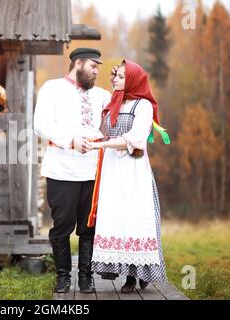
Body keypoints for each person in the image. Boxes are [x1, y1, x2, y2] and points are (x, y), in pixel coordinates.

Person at [88, 59, 170, 293]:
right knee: (117, 217)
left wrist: (100, 146)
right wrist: (90, 140)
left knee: (135, 218)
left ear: (133, 79)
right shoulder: (114, 103)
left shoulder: (143, 106)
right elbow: (102, 132)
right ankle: (125, 272)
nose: (114, 79)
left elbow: (133, 139)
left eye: (121, 76)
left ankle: (138, 274)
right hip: (113, 170)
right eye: (115, 75)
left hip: (133, 171)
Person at [33, 48, 111, 294]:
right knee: (62, 226)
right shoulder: (52, 88)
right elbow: (40, 125)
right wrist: (70, 140)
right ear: (77, 64)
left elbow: (120, 113)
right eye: (93, 66)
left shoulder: (101, 95)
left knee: (88, 227)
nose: (97, 71)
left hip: (93, 170)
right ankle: (63, 277)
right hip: (61, 170)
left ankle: (85, 278)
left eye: (98, 67)